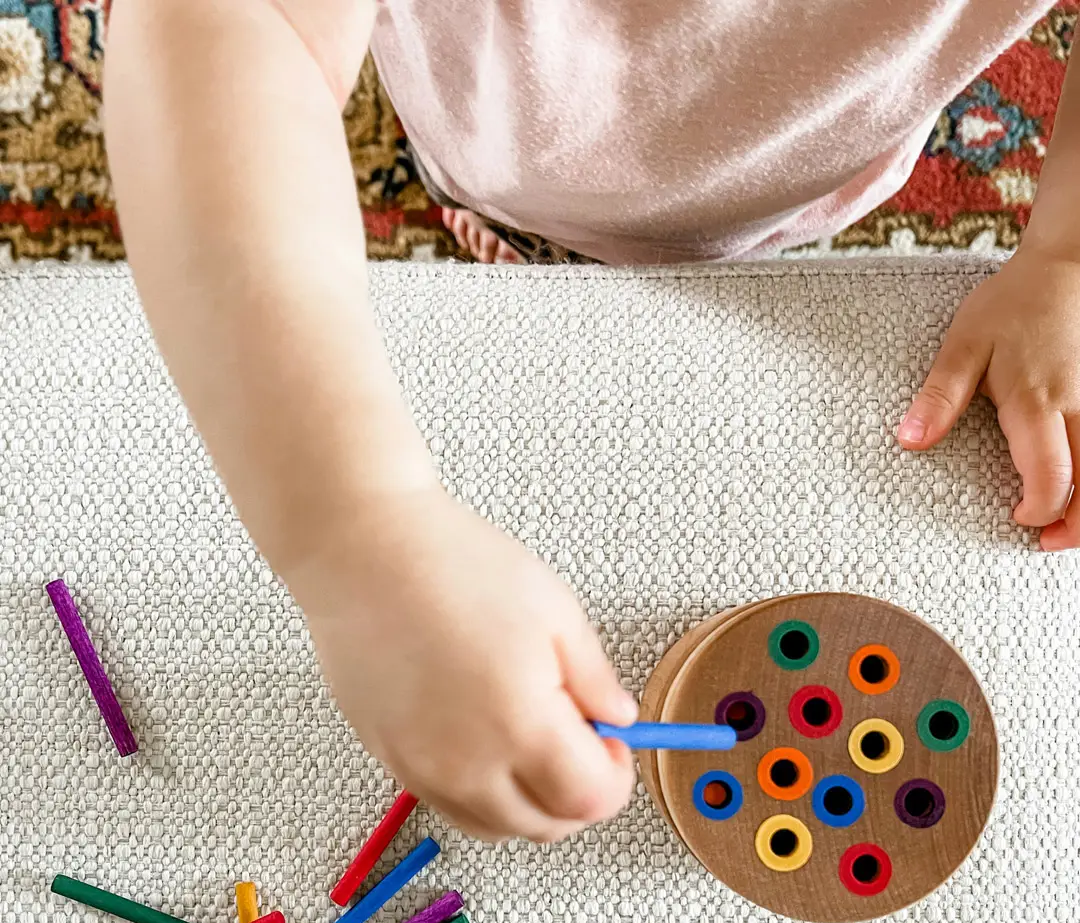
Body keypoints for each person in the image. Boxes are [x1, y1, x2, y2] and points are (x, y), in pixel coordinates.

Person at [103, 0, 1080, 844]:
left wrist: (1069, 256)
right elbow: (233, 26)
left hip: (823, 158)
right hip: (506, 149)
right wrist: (354, 528)